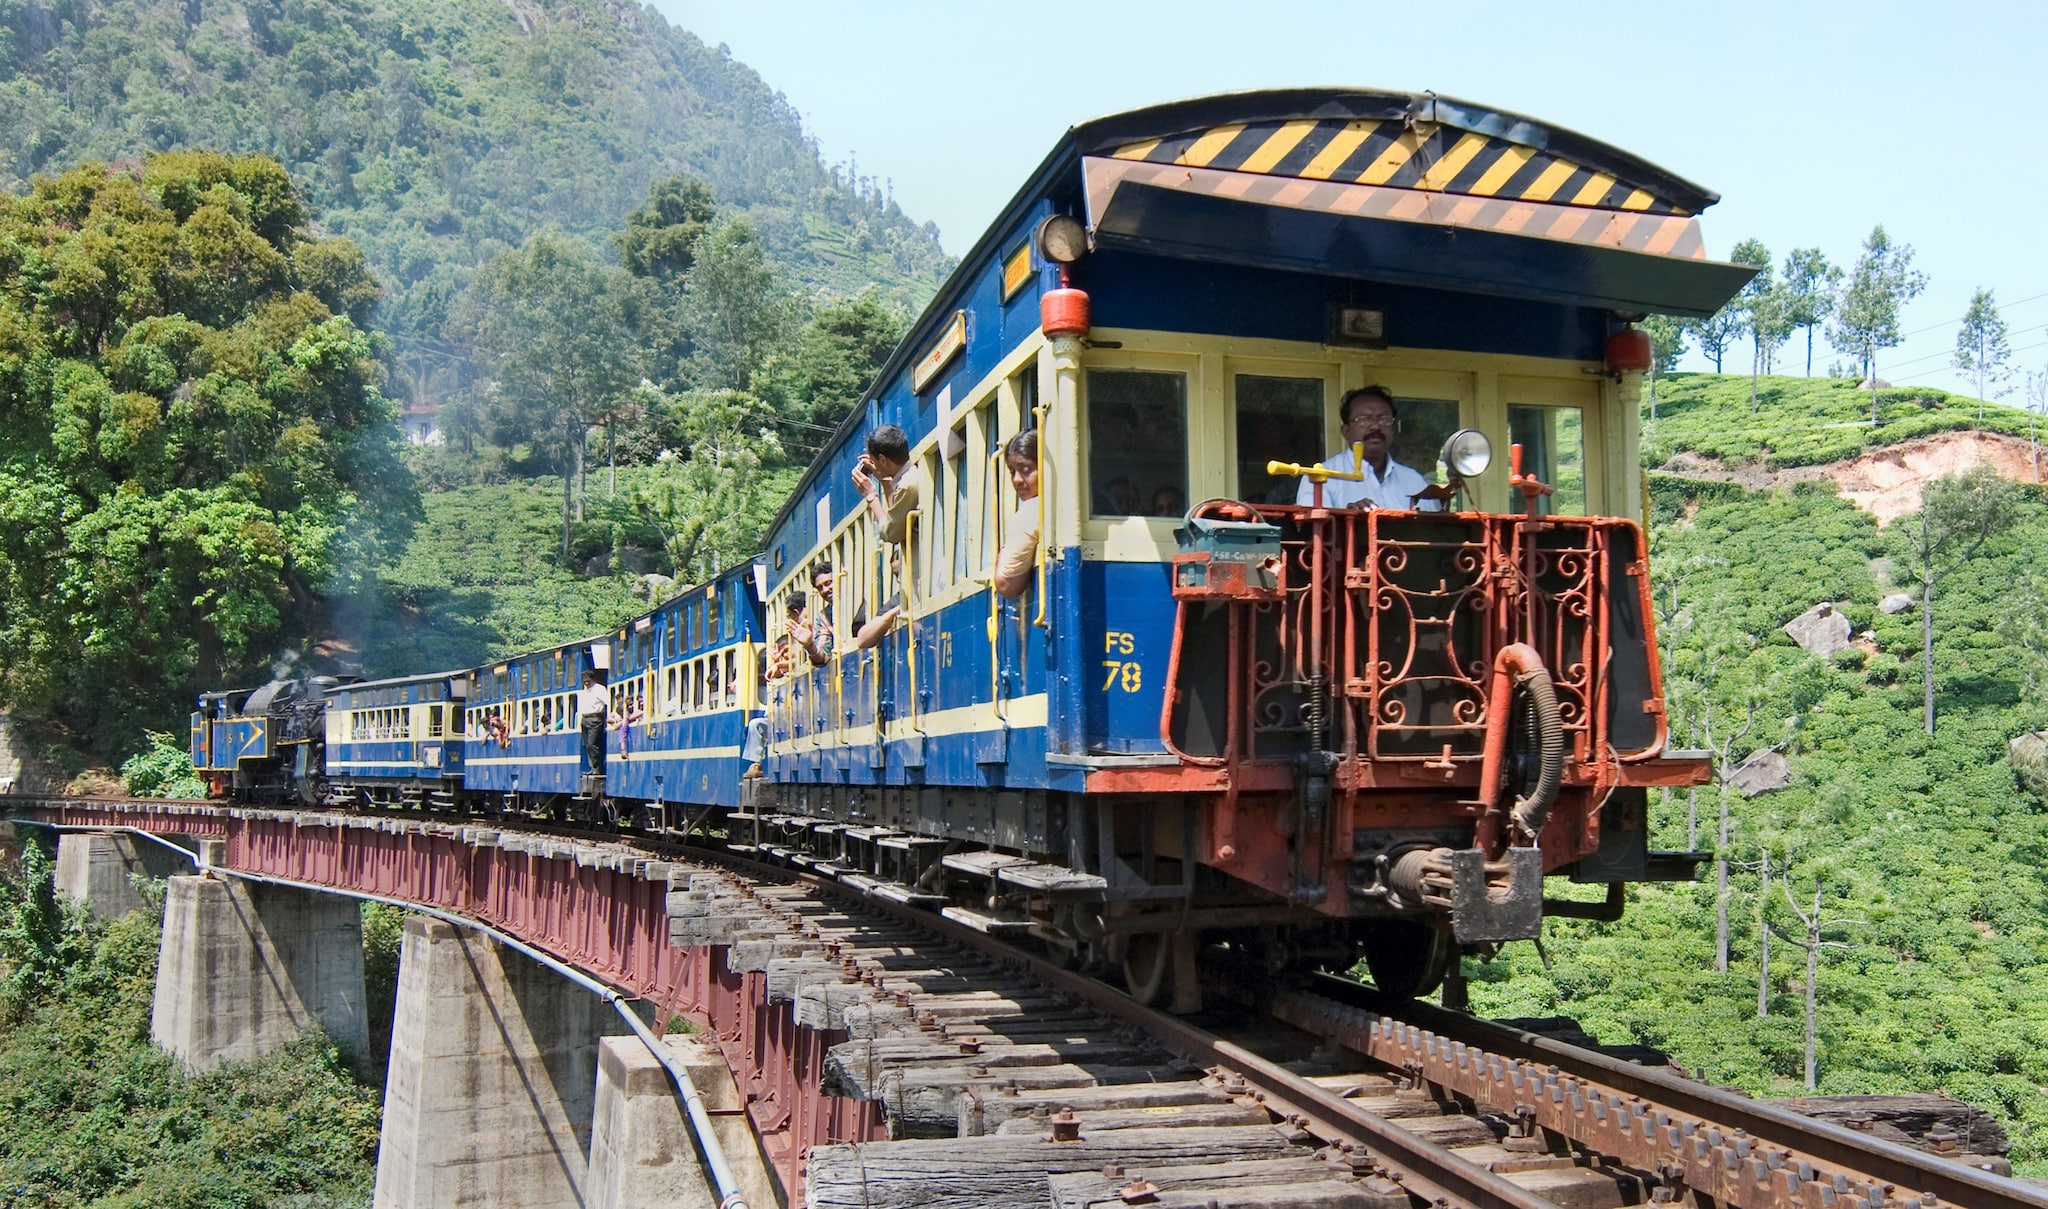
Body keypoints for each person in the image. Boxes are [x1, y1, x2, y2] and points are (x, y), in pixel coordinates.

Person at [1294, 386, 1442, 511]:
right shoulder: (1320, 478)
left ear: (1393, 429)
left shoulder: (1414, 481)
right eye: (1364, 420)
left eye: (1384, 419)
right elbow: (1315, 536)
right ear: (1346, 431)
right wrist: (1349, 520)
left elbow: (1436, 536)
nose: (1375, 426)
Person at [851, 424, 921, 544]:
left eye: (873, 460)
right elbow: (895, 515)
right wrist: (884, 481)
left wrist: (871, 496)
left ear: (883, 459)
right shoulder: (911, 475)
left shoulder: (907, 486)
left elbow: (891, 534)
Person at [994, 430, 1040, 599]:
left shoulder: (1032, 511)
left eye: (1026, 469)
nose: (1017, 480)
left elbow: (1006, 585)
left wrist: (1002, 554)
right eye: (1013, 471)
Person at [852, 547, 906, 650]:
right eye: (896, 575)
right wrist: (892, 613)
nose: (899, 580)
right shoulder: (899, 598)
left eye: (902, 573)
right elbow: (862, 639)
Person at [799, 563, 836, 665]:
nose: (825, 590)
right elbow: (823, 658)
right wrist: (810, 646)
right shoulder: (825, 616)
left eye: (828, 583)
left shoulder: (859, 599)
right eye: (820, 587)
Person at [577, 670, 612, 776]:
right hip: (585, 718)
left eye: (588, 681)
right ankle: (592, 767)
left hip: (595, 718)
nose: (586, 683)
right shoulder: (584, 691)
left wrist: (609, 715)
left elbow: (608, 702)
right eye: (585, 682)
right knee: (587, 744)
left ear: (593, 679)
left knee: (593, 744)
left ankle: (597, 768)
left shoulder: (599, 689)